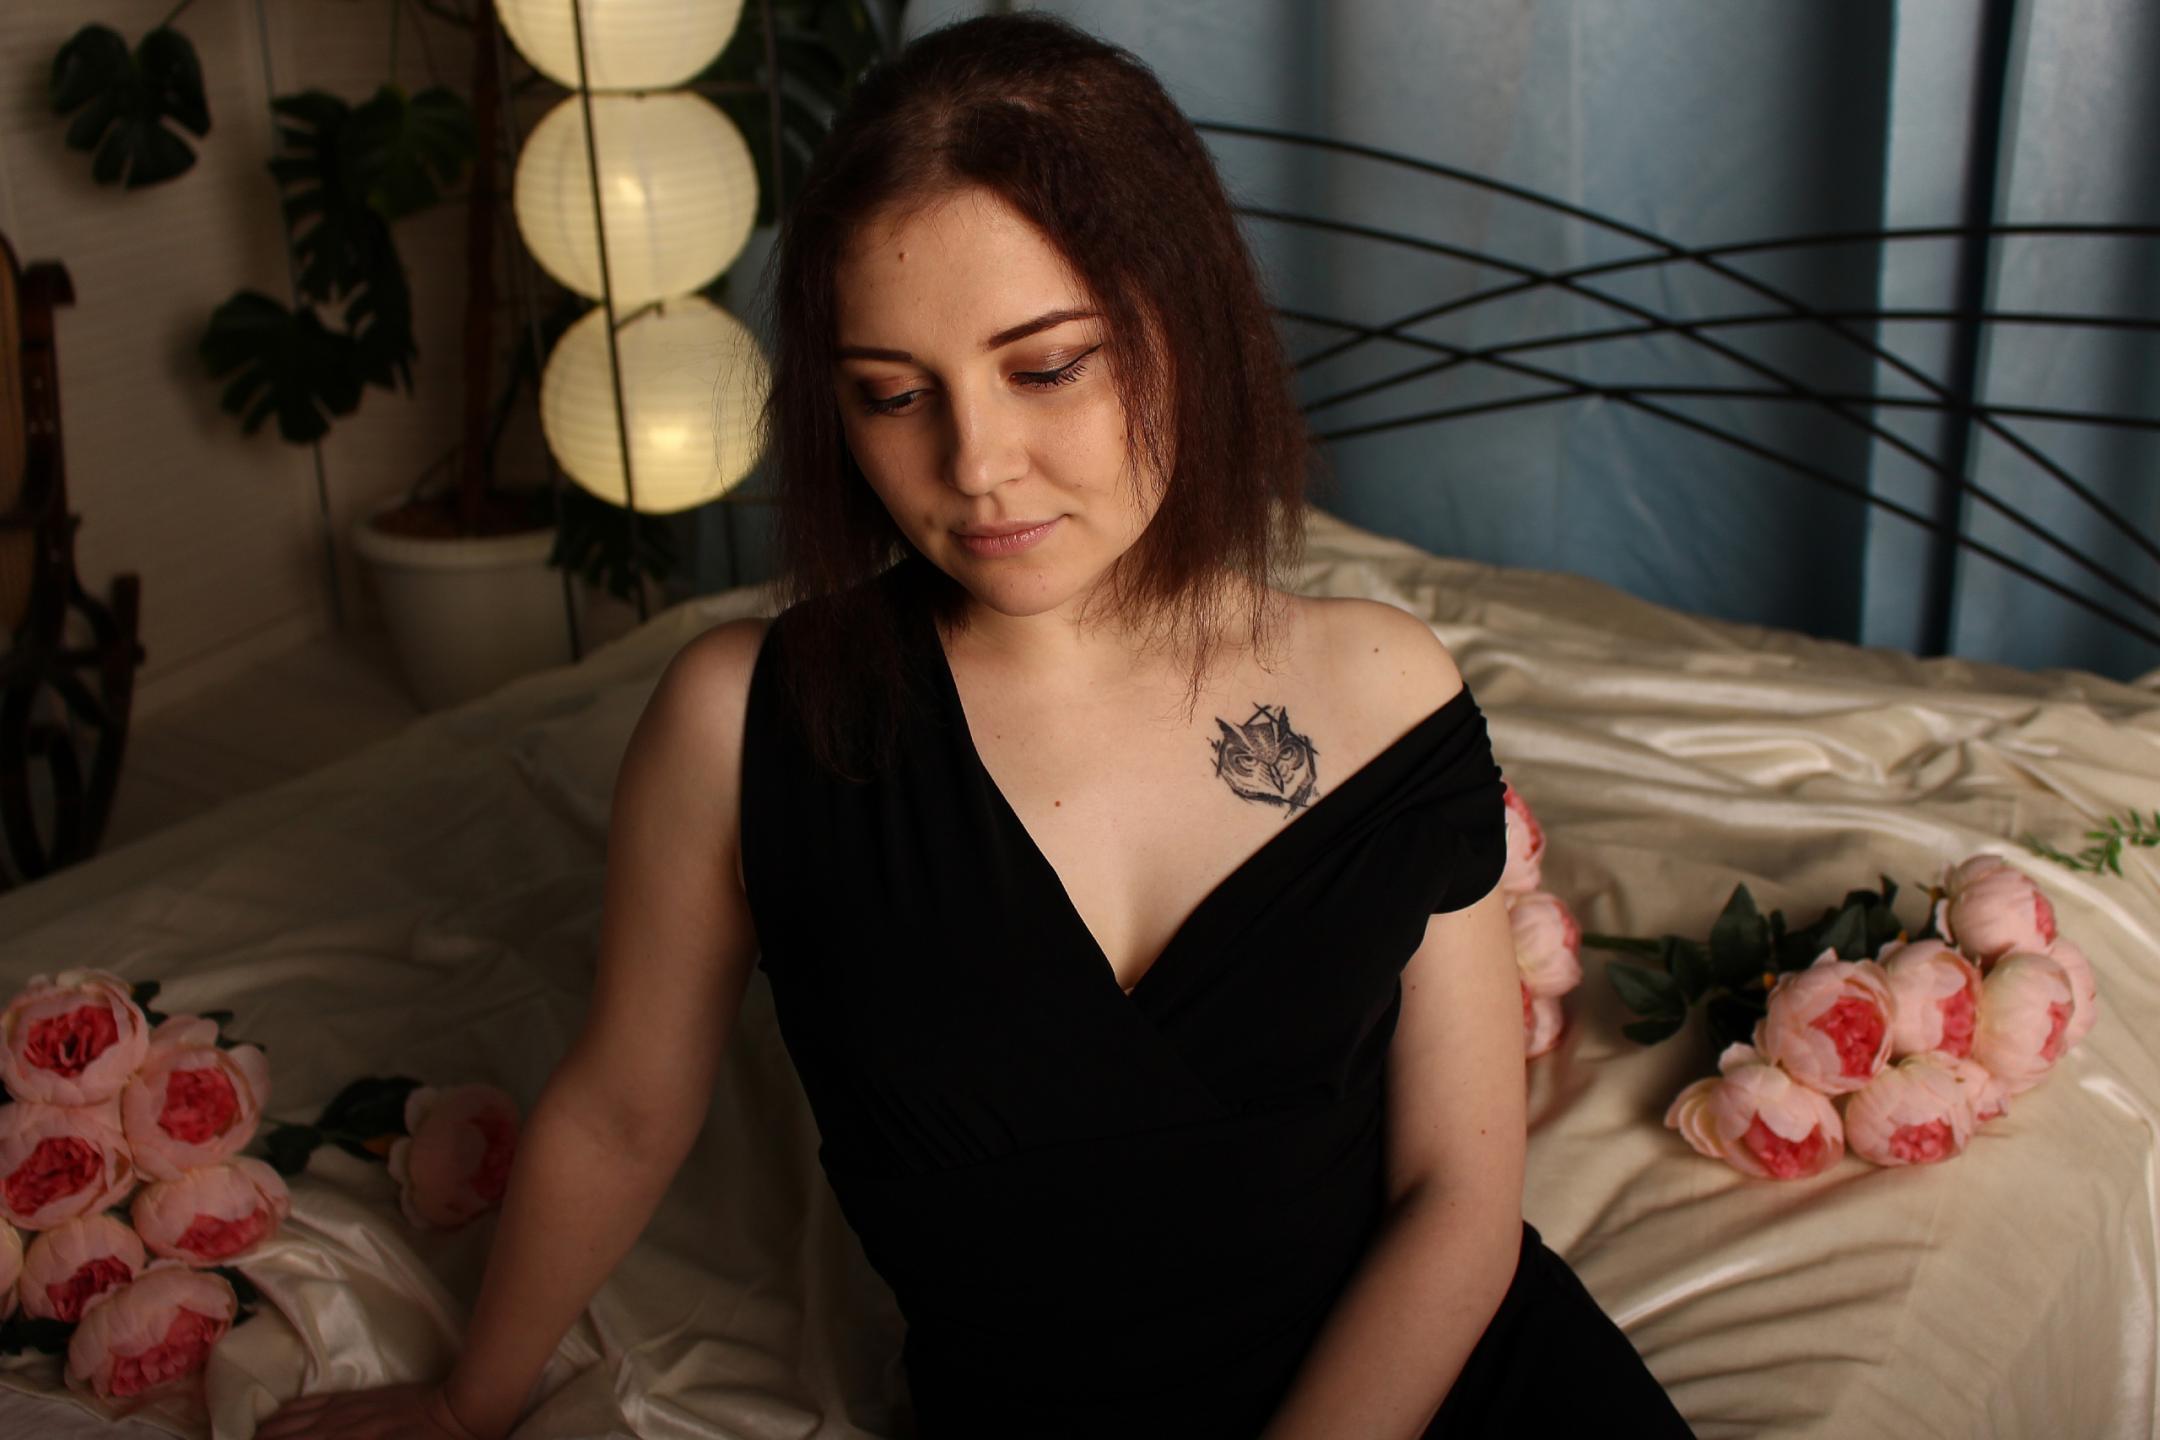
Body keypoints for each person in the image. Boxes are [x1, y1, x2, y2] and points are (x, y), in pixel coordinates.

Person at [262, 13, 1693, 1439]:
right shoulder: (744, 721)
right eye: (892, 395)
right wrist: (464, 1405)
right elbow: (625, 1110)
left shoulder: (1383, 690)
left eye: (1047, 367)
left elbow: (1459, 1201)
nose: (976, 464)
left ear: (1186, 327)